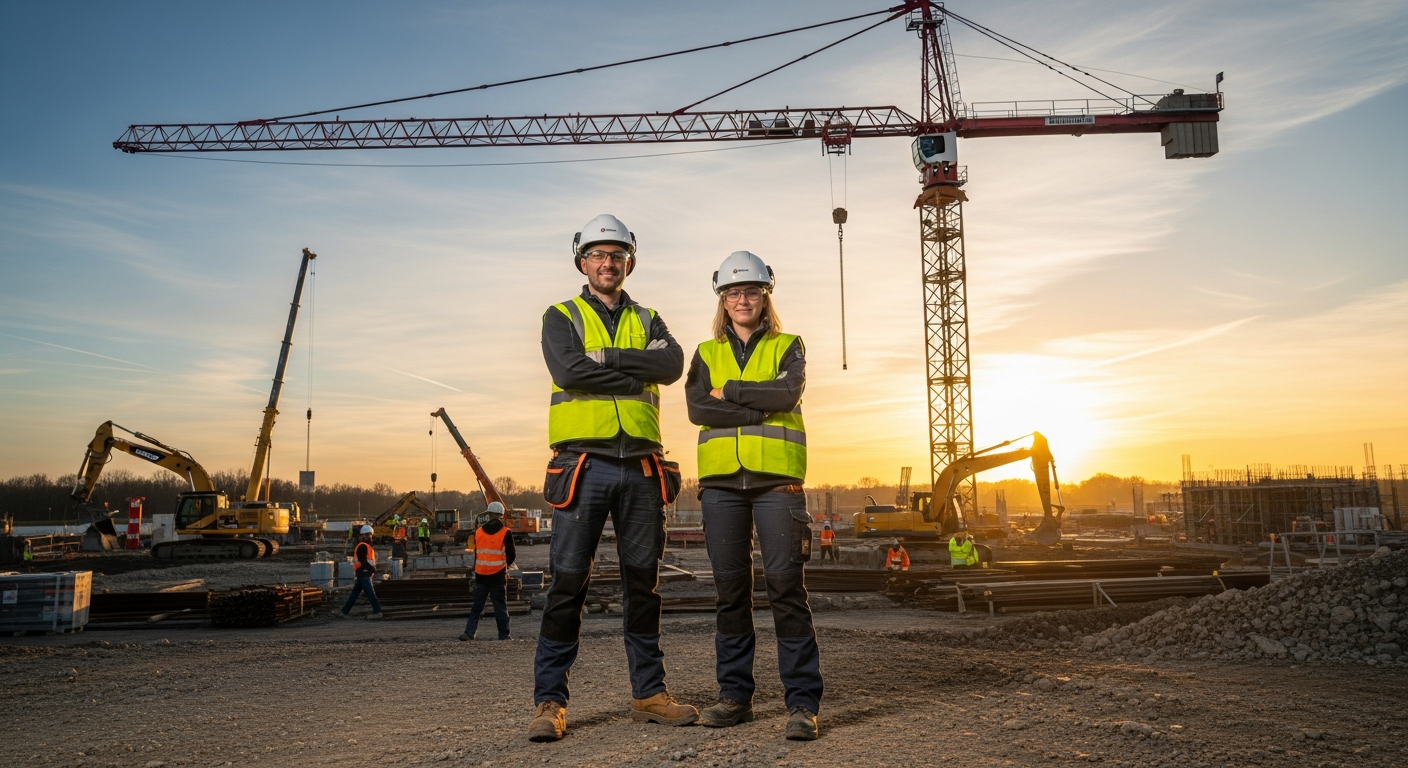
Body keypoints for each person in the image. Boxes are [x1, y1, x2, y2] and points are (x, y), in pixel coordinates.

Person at [529, 214, 691, 743]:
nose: (608, 262)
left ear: (629, 263)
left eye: (617, 255)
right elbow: (569, 372)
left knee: (642, 584)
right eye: (599, 254)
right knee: (567, 583)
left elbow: (671, 366)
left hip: (642, 465)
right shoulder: (561, 315)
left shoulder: (649, 317)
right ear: (582, 262)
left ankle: (649, 693)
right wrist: (633, 369)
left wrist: (610, 360)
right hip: (584, 465)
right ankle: (550, 702)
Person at [686, 251, 821, 741]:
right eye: (734, 293)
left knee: (785, 589)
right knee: (731, 594)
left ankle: (802, 703)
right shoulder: (705, 352)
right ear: (722, 300)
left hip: (776, 482)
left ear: (766, 298)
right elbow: (698, 408)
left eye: (752, 292)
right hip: (722, 485)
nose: (743, 300)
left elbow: (787, 396)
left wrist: (732, 392)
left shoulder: (789, 345)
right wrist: (751, 408)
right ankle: (734, 697)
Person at [461, 502, 516, 641]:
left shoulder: (478, 532)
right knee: (500, 607)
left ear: (488, 514)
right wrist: (504, 566)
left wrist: (477, 569)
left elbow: (477, 553)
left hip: (481, 575)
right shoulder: (506, 532)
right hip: (497, 575)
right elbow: (512, 554)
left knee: (477, 606)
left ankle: (469, 633)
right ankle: (504, 635)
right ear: (501, 516)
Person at [339, 525, 384, 619]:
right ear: (362, 535)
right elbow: (363, 560)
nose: (370, 537)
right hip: (364, 572)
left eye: (370, 535)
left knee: (354, 594)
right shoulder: (363, 546)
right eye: (368, 535)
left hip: (361, 573)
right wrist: (372, 569)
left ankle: (344, 612)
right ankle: (377, 611)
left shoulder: (364, 546)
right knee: (370, 592)